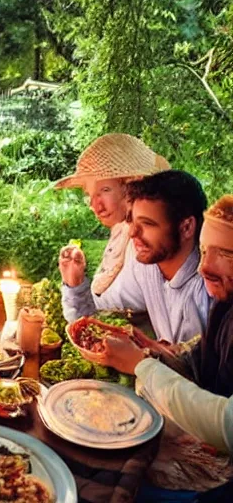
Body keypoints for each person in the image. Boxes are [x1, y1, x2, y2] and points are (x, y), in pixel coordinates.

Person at [84, 195, 233, 501]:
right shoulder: (225, 303)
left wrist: (141, 365)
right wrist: (153, 351)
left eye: (226, 255)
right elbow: (199, 354)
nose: (204, 266)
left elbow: (226, 424)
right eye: (205, 251)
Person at [60, 170, 211, 343]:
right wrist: (75, 283)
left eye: (147, 224)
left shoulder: (209, 292)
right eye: (132, 221)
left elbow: (196, 367)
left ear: (186, 228)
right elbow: (95, 314)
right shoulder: (147, 266)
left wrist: (142, 356)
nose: (132, 233)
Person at [56, 133, 171, 298]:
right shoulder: (119, 232)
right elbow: (100, 308)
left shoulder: (148, 244)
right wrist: (75, 283)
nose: (95, 205)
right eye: (90, 194)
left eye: (104, 190)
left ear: (132, 186)